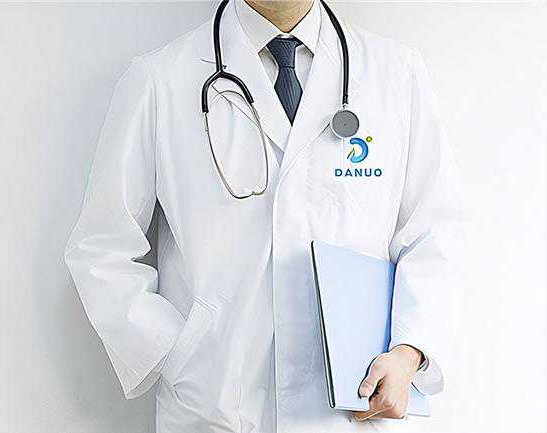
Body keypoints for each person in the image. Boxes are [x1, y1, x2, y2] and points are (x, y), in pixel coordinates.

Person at [64, 0, 466, 432]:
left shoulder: (396, 74)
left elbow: (435, 233)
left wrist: (410, 350)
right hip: (215, 412)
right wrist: (180, 355)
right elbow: (101, 249)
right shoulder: (160, 80)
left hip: (353, 408)